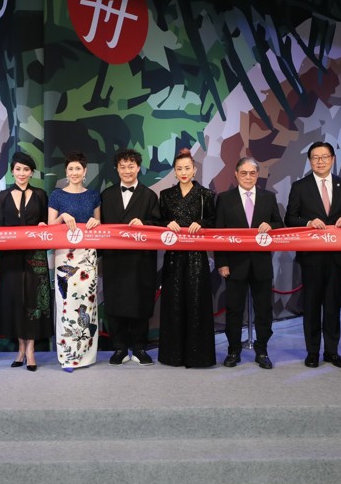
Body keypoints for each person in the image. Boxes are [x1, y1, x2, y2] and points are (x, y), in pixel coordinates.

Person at [286, 142, 341, 369]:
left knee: (333, 304)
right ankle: (313, 351)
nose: (320, 161)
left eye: (325, 157)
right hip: (311, 257)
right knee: (312, 304)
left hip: (337, 256)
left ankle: (332, 351)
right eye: (315, 157)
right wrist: (307, 222)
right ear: (309, 161)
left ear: (333, 159)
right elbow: (290, 218)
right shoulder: (300, 187)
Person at [215, 157, 284, 369]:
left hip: (261, 264)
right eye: (243, 173)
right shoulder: (225, 199)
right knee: (234, 310)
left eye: (252, 173)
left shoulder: (268, 198)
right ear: (236, 174)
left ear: (257, 175)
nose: (247, 177)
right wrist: (221, 262)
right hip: (234, 265)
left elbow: (280, 225)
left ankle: (262, 350)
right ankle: (233, 350)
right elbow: (219, 232)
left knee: (264, 310)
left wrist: (270, 225)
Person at [99, 149, 160, 366]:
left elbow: (159, 227)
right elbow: (99, 227)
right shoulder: (106, 195)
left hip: (141, 261)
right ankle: (119, 348)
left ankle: (140, 348)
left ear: (138, 168)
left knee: (140, 305)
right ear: (116, 169)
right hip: (114, 260)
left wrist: (145, 225)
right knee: (114, 305)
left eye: (131, 166)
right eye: (122, 166)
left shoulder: (150, 196)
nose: (127, 170)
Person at [157, 149, 217, 368]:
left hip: (196, 259)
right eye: (179, 169)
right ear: (174, 171)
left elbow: (215, 221)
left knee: (196, 304)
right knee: (173, 304)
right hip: (173, 258)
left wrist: (202, 223)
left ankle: (198, 356)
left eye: (187, 168)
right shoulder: (165, 195)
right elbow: (155, 222)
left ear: (195, 170)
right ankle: (173, 355)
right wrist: (166, 224)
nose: (183, 172)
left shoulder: (206, 195)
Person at [0, 152, 52, 372]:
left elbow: (46, 222)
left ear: (32, 173)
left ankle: (31, 351)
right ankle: (20, 348)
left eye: (26, 169)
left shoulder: (40, 195)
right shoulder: (1, 196)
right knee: (16, 300)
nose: (22, 173)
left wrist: (44, 226)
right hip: (10, 256)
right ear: (12, 171)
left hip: (35, 256)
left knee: (33, 302)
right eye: (18, 169)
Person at [48, 151, 101, 372]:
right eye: (70, 169)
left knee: (87, 304)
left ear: (85, 171)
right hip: (64, 257)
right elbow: (51, 227)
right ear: (66, 172)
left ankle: (87, 355)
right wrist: (63, 217)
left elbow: (100, 223)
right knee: (66, 304)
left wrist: (94, 222)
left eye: (78, 168)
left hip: (87, 256)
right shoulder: (57, 195)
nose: (74, 172)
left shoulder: (93, 195)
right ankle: (67, 356)